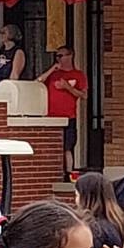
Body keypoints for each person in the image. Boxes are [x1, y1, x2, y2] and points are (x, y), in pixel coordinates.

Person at [42, 47, 88, 176]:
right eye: (57, 56)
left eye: (61, 56)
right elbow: (38, 81)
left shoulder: (78, 75)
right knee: (53, 146)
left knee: (68, 146)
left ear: (70, 56)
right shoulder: (53, 74)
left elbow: (83, 95)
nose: (59, 59)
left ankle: (68, 173)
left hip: (68, 116)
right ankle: (53, 172)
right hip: (51, 116)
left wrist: (67, 87)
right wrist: (52, 69)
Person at [0, 23, 27, 87]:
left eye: (4, 33)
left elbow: (15, 74)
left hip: (5, 85)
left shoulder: (18, 52)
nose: (0, 35)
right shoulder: (0, 51)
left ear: (12, 34)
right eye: (0, 33)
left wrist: (9, 87)